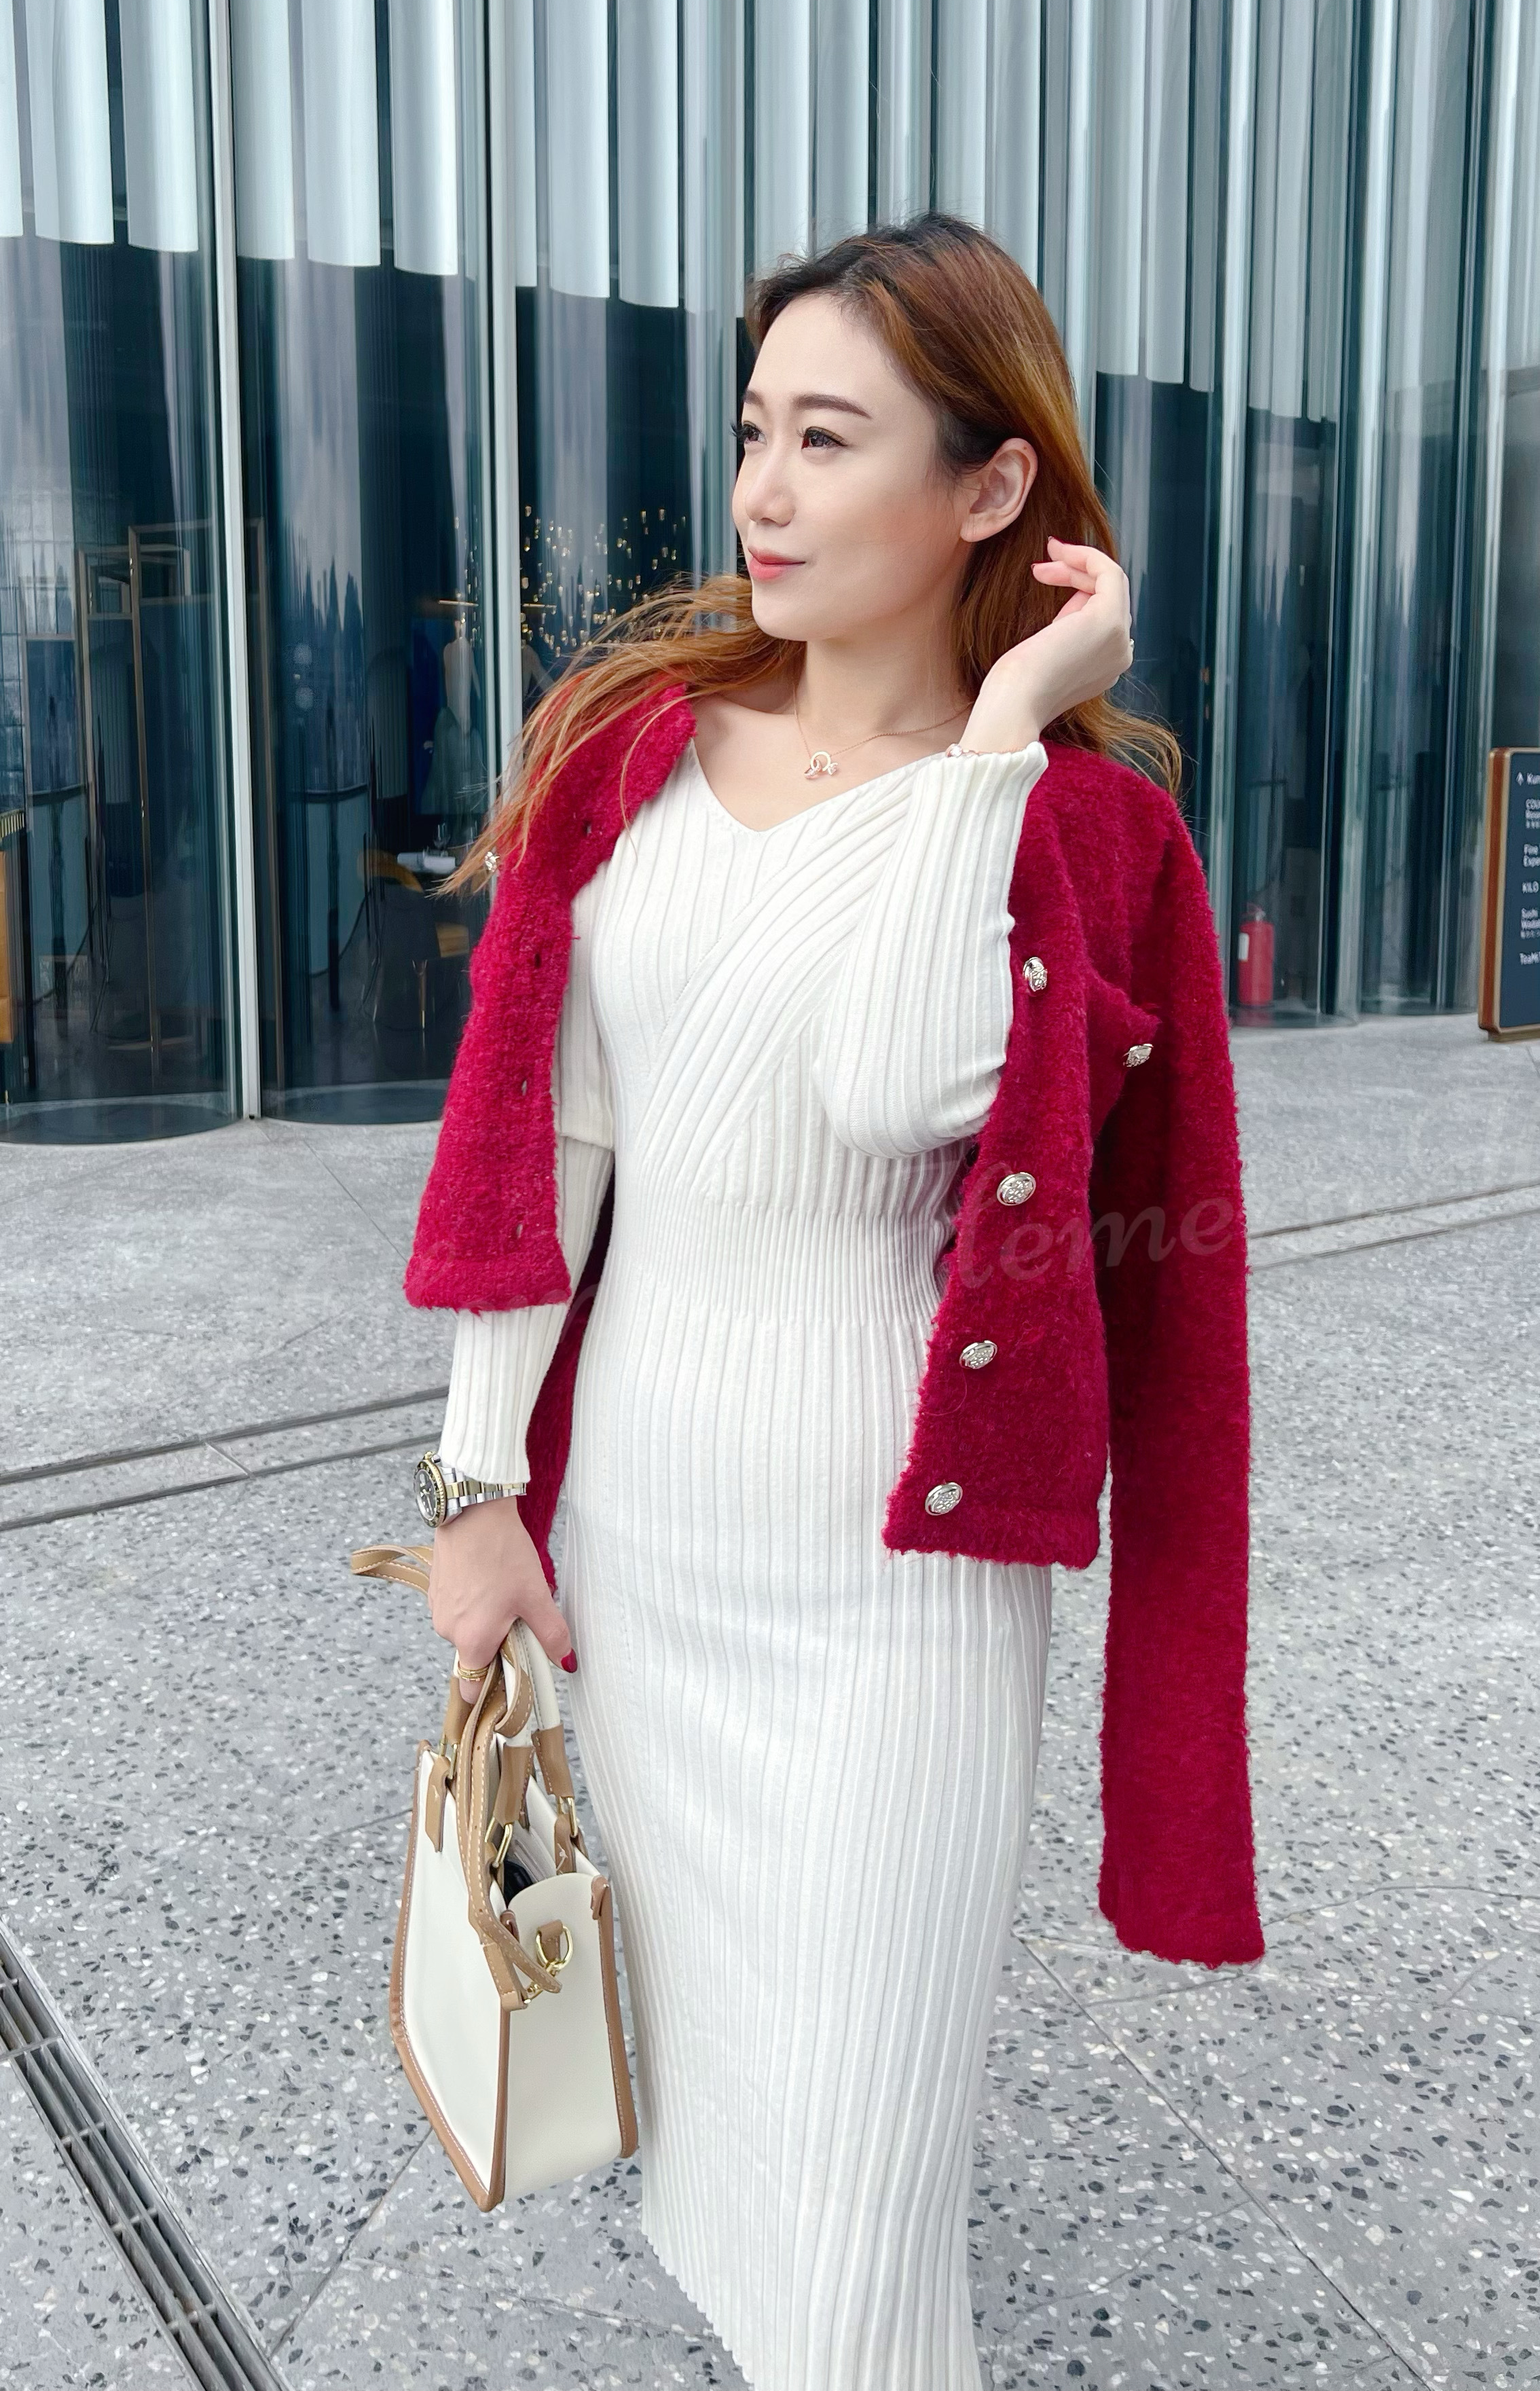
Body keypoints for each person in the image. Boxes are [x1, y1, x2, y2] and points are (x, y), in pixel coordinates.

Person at [403, 214, 1262, 2391]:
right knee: (720, 2113)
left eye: (828, 439)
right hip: (646, 1541)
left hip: (900, 1581)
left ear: (990, 487)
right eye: (752, 432)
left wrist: (993, 737)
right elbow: (548, 1142)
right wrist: (476, 1487)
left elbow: (897, 1084)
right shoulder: (627, 751)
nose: (762, 495)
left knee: (867, 2177)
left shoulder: (1077, 827)